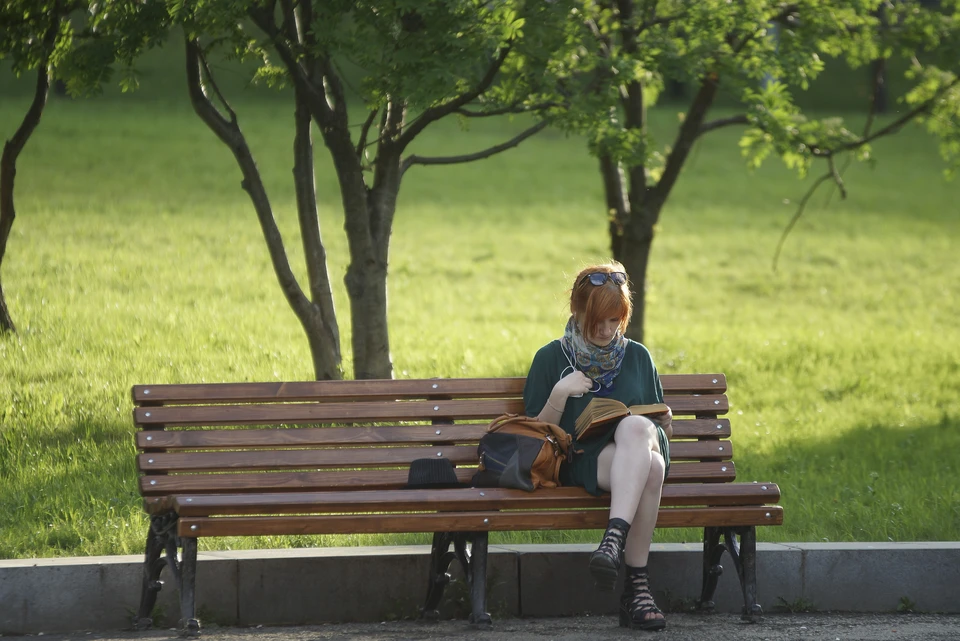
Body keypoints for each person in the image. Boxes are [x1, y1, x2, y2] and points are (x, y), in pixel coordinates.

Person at [523, 261, 672, 632]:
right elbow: (536, 435)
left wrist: (663, 424)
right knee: (650, 468)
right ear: (577, 311)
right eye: (598, 322)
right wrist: (560, 393)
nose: (607, 330)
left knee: (639, 434)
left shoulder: (638, 356)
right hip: (583, 458)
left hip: (635, 453)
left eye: (614, 320)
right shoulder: (551, 358)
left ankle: (612, 540)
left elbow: (653, 425)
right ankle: (637, 589)